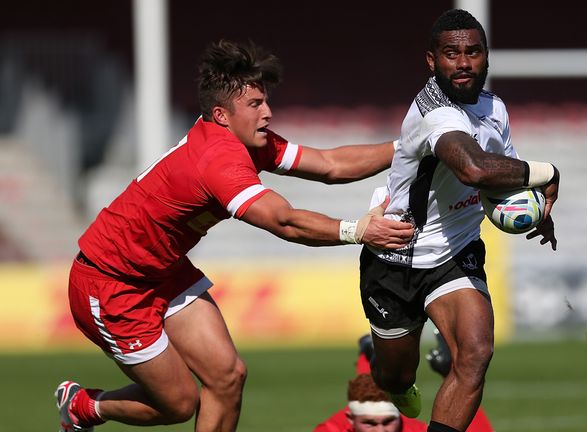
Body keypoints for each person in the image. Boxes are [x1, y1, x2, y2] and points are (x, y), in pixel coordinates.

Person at [54, 39, 414, 432]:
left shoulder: (246, 142)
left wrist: (409, 147)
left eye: (265, 101)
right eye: (256, 105)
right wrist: (357, 230)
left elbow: (329, 165)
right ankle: (85, 407)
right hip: (110, 284)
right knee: (178, 403)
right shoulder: (218, 161)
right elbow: (284, 222)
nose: (268, 113)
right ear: (222, 115)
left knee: (227, 378)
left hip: (163, 270)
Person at [358, 9, 560, 432]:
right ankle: (385, 364)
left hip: (456, 252)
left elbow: (499, 174)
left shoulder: (495, 109)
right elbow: (474, 169)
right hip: (396, 255)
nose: (463, 62)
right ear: (432, 61)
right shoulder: (434, 111)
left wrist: (534, 208)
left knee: (476, 352)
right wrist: (548, 173)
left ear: (486, 57)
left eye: (473, 52)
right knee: (396, 376)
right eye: (451, 53)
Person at [313, 332, 493, 432]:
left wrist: (452, 373)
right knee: (372, 387)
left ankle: (374, 355)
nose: (380, 431)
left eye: (388, 422)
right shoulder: (330, 429)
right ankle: (373, 356)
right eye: (369, 424)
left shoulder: (412, 429)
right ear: (351, 420)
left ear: (400, 418)